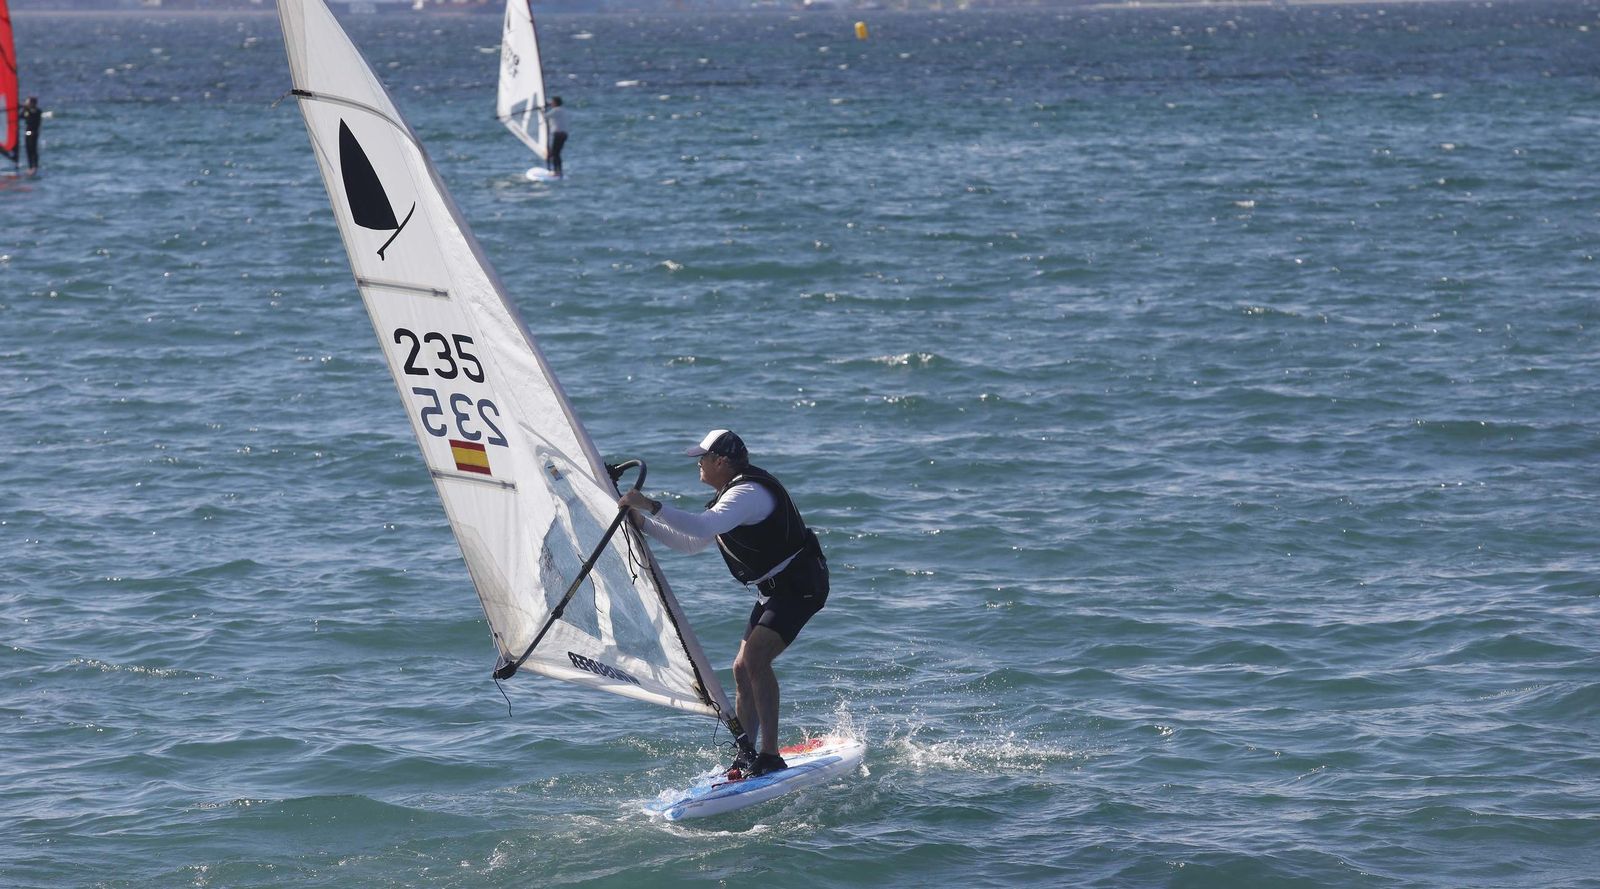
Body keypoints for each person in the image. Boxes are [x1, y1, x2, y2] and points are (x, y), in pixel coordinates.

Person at [619, 429, 828, 778]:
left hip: (799, 585)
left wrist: (651, 506)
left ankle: (770, 754)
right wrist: (641, 522)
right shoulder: (728, 497)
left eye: (703, 458)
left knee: (756, 658)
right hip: (774, 591)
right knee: (741, 668)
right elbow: (690, 543)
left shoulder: (747, 493)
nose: (698, 464)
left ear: (721, 461)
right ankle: (747, 754)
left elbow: (702, 528)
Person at [542, 96, 568, 177]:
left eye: (552, 102)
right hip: (564, 134)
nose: (551, 103)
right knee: (557, 153)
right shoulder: (562, 110)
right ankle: (558, 170)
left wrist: (542, 109)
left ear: (555, 103)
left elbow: (544, 116)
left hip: (558, 135)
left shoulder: (556, 110)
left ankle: (557, 171)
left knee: (555, 153)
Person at [19, 97, 42, 176]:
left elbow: (33, 114)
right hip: (28, 132)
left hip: (34, 132)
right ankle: (30, 167)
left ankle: (34, 167)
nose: (26, 104)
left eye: (27, 102)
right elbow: (20, 116)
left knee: (33, 149)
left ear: (32, 103)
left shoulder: (37, 111)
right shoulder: (26, 111)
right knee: (28, 149)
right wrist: (21, 108)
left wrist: (26, 108)